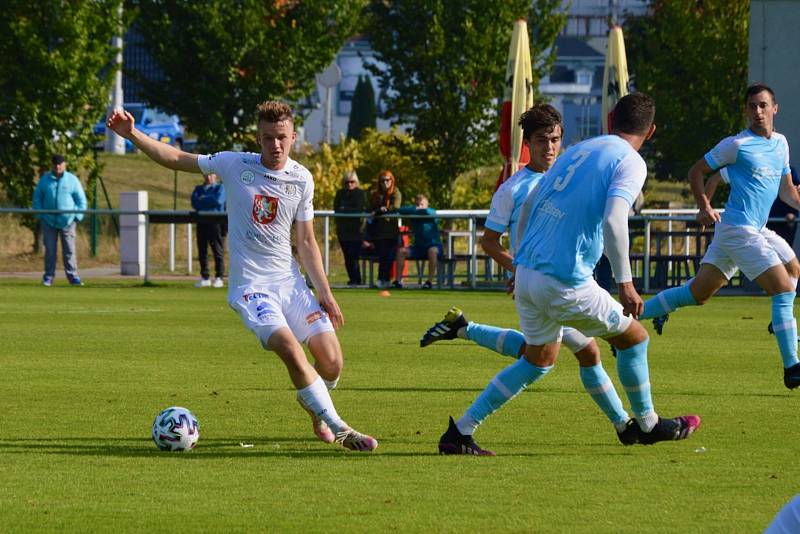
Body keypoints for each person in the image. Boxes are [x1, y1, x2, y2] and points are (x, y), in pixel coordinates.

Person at [436, 93, 701, 455]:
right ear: (651, 131)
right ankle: (648, 423)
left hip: (529, 273)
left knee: (538, 360)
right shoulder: (631, 161)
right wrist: (625, 282)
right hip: (565, 280)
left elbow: (533, 201)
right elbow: (613, 219)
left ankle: (460, 432)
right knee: (634, 338)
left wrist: (524, 258)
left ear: (610, 120)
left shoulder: (579, 150)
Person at [107, 101, 377, 451]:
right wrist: (133, 135)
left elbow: (307, 241)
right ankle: (340, 426)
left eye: (281, 138)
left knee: (332, 363)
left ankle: (311, 403)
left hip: (291, 284)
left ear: (293, 137)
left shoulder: (302, 178)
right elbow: (176, 158)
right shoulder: (235, 164)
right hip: (252, 288)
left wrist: (324, 292)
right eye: (267, 138)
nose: (275, 145)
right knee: (289, 349)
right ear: (258, 138)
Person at [638, 84, 800, 390]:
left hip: (752, 229)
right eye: (752, 106)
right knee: (782, 290)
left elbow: (788, 191)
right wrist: (704, 206)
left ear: (775, 109)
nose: (758, 112)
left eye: (763, 105)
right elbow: (696, 172)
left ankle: (628, 323)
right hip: (739, 230)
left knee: (698, 293)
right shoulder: (737, 145)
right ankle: (792, 366)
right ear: (745, 110)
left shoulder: (781, 144)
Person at [32, 154, 87, 287]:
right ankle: (48, 277)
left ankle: (73, 277)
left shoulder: (72, 180)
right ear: (52, 165)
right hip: (49, 221)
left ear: (64, 164)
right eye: (55, 164)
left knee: (69, 250)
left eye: (60, 164)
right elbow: (37, 198)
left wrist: (77, 216)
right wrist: (41, 215)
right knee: (50, 250)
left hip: (68, 221)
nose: (58, 167)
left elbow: (81, 200)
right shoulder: (45, 180)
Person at [394, 194, 442, 289]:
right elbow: (401, 209)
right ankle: (398, 281)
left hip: (434, 246)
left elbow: (430, 212)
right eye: (417, 205)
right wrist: (415, 209)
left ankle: (429, 282)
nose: (419, 207)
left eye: (422, 204)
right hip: (418, 248)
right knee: (401, 251)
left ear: (427, 205)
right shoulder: (414, 212)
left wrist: (418, 210)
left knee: (432, 251)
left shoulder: (432, 212)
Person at [367, 170, 402, 289]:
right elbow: (370, 208)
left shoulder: (396, 192)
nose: (385, 183)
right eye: (382, 180)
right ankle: (381, 279)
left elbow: (395, 207)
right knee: (382, 257)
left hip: (391, 232)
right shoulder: (375, 194)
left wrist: (380, 210)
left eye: (387, 180)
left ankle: (385, 280)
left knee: (389, 257)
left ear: (392, 181)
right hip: (378, 232)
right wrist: (378, 210)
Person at [191, 172, 226, 288]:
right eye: (206, 175)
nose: (208, 177)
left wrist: (203, 199)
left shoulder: (221, 187)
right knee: (202, 250)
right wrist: (208, 200)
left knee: (217, 250)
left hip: (216, 222)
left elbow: (218, 201)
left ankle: (219, 277)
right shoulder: (198, 188)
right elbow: (195, 203)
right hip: (201, 221)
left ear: (216, 175)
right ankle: (205, 277)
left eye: (211, 175)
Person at [333, 170, 368, 286]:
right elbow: (337, 208)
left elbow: (358, 208)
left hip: (356, 231)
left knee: (354, 257)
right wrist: (346, 209)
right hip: (343, 231)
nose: (349, 184)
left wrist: (345, 208)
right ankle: (353, 279)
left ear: (356, 182)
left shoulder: (360, 193)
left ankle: (357, 279)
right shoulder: (340, 193)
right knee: (347, 257)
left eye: (352, 182)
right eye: (347, 182)